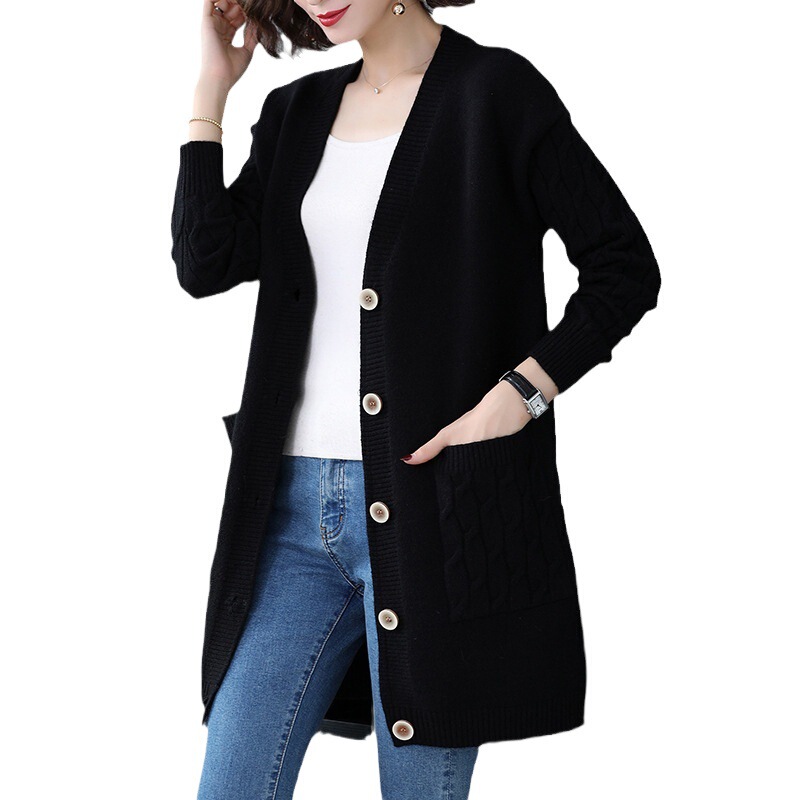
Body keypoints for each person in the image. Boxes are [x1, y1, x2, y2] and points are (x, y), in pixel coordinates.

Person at [170, 1, 661, 798]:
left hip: (436, 513)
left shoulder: (496, 93)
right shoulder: (296, 111)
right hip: (288, 518)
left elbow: (624, 266)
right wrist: (210, 90)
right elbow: (204, 262)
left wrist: (520, 396)